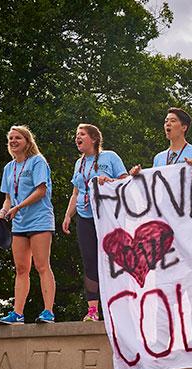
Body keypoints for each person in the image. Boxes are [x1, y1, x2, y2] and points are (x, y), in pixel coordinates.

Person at [62, 123, 128, 321]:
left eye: (81, 134)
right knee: (90, 261)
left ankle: (119, 306)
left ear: (94, 138)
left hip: (108, 216)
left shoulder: (110, 157)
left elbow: (125, 181)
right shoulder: (78, 163)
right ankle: (92, 310)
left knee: (113, 260)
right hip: (85, 217)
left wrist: (109, 182)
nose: (77, 137)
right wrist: (67, 215)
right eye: (76, 134)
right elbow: (76, 192)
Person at [0, 125, 56, 325]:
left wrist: (18, 207)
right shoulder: (8, 168)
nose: (13, 141)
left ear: (27, 141)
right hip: (19, 223)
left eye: (18, 138)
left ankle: (48, 312)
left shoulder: (37, 162)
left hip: (40, 219)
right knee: (21, 269)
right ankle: (17, 314)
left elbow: (41, 190)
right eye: (11, 138)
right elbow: (8, 198)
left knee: (41, 265)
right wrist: (3, 212)